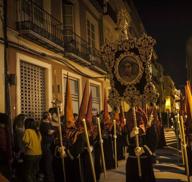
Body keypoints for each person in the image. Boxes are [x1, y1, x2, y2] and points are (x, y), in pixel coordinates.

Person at [22, 117, 42, 182]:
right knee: (34, 173)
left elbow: (25, 141)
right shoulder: (37, 131)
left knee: (28, 173)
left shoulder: (27, 131)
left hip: (30, 154)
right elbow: (40, 140)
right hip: (38, 154)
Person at [40, 112, 55, 182]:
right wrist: (55, 130)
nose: (51, 116)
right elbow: (49, 132)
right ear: (47, 116)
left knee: (49, 162)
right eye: (50, 115)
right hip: (46, 146)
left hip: (50, 145)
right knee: (47, 163)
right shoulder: (43, 124)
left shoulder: (49, 123)